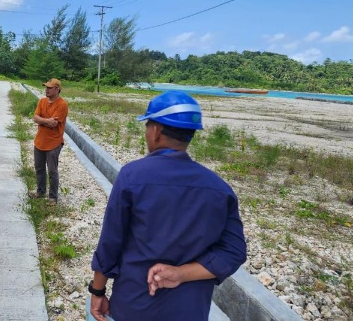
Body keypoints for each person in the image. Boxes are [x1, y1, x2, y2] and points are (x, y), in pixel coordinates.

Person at [89, 91, 247, 321]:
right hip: (189, 312)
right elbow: (234, 252)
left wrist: (97, 291)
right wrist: (181, 273)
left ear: (155, 131)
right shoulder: (220, 189)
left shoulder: (132, 176)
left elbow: (110, 244)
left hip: (134, 306)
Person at [29, 78, 68, 205]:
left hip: (54, 142)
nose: (46, 89)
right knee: (39, 167)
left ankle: (53, 198)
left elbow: (54, 124)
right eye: (46, 87)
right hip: (40, 141)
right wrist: (46, 120)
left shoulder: (62, 105)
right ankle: (40, 192)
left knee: (52, 170)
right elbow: (35, 118)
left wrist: (41, 120)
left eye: (49, 87)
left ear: (57, 89)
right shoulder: (42, 101)